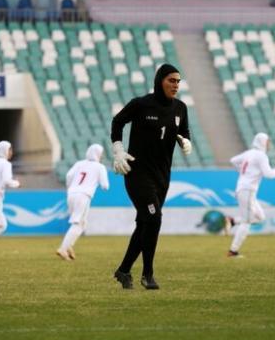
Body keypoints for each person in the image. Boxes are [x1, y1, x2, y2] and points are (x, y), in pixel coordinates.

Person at [110, 63, 192, 290]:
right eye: (171, 80)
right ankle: (148, 274)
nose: (175, 85)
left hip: (162, 176)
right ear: (159, 81)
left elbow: (184, 131)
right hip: (137, 173)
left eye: (178, 81)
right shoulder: (141, 104)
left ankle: (123, 271)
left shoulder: (181, 108)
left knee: (145, 223)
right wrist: (118, 150)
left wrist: (185, 141)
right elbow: (118, 121)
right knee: (154, 218)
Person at [227, 133, 275, 257]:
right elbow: (269, 174)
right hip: (247, 190)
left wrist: (243, 172)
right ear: (263, 142)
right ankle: (233, 251)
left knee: (260, 217)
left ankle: (233, 221)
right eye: (267, 141)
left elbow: (233, 161)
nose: (268, 144)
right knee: (247, 222)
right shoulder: (261, 156)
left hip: (245, 190)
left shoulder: (249, 153)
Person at [56, 144, 109, 261]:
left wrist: (71, 187)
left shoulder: (79, 163)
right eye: (101, 153)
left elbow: (69, 175)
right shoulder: (99, 167)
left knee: (82, 223)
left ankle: (69, 246)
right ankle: (63, 248)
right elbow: (105, 186)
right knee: (78, 224)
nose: (102, 156)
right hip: (83, 195)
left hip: (71, 194)